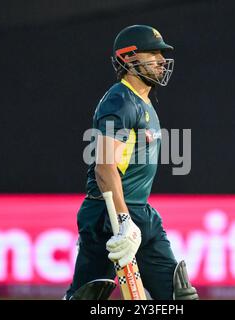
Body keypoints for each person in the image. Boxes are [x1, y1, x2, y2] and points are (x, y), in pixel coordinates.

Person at [65, 25, 198, 300]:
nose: (162, 61)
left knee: (178, 296)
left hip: (141, 215)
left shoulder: (144, 103)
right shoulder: (119, 99)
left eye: (162, 55)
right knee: (86, 297)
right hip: (107, 214)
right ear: (129, 58)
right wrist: (123, 220)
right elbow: (104, 166)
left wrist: (132, 219)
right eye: (153, 54)